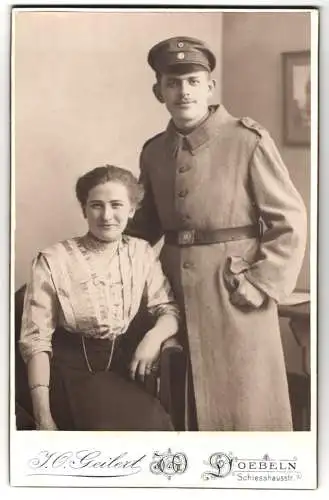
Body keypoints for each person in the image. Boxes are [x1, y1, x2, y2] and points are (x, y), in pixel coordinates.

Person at [127, 36, 307, 431]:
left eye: (192, 80)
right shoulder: (155, 151)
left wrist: (260, 284)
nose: (183, 91)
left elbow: (289, 220)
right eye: (172, 83)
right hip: (172, 292)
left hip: (235, 292)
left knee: (246, 401)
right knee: (182, 400)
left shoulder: (247, 141)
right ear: (159, 91)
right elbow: (143, 228)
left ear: (210, 87)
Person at [19, 165, 180, 431]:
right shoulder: (53, 259)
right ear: (84, 210)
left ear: (132, 209)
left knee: (158, 430)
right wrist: (43, 417)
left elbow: (168, 309)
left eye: (116, 205)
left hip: (122, 370)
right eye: (96, 205)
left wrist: (153, 338)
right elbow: (36, 341)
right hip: (65, 374)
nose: (107, 216)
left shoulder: (141, 253)